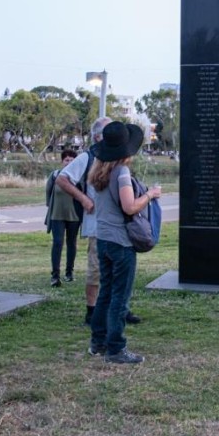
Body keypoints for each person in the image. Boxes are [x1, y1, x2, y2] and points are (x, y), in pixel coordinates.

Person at [87, 121, 161, 364]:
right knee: (120, 296)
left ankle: (98, 342)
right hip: (121, 242)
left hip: (103, 239)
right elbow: (129, 206)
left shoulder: (98, 171)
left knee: (106, 292)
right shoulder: (121, 173)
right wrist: (150, 195)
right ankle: (116, 348)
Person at [57, 118, 142, 326]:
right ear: (98, 137)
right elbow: (62, 178)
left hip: (119, 226)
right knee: (97, 271)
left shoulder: (120, 163)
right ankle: (92, 312)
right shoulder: (88, 157)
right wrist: (84, 199)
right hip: (97, 225)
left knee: (119, 272)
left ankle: (121, 309)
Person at [45, 149, 81, 287]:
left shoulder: (79, 177)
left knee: (71, 242)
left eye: (72, 160)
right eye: (67, 160)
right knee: (57, 242)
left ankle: (69, 273)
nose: (69, 162)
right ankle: (55, 276)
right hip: (56, 215)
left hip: (74, 216)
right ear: (62, 161)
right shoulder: (55, 176)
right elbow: (48, 195)